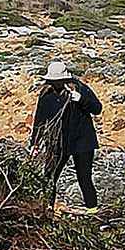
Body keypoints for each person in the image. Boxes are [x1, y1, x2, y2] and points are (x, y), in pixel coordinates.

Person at [30, 60, 103, 213]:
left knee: (84, 177)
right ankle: (47, 209)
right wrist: (35, 143)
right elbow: (40, 120)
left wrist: (82, 100)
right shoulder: (46, 95)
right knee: (49, 177)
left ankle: (92, 210)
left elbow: (97, 108)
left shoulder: (79, 89)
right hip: (57, 142)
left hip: (82, 140)